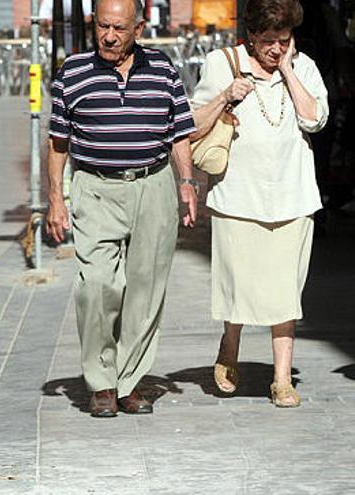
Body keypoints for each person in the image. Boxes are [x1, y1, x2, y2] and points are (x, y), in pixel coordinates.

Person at [45, 0, 198, 418]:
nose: (109, 36)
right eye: (103, 26)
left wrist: (186, 183)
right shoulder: (72, 73)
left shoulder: (163, 69)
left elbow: (179, 131)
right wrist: (56, 199)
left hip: (153, 185)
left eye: (119, 28)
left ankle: (129, 382)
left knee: (145, 290)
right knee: (96, 286)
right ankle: (100, 381)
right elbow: (58, 142)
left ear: (139, 28)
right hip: (95, 187)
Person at [190, 0, 328, 408]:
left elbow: (315, 119)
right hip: (238, 195)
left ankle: (281, 378)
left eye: (283, 41)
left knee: (286, 291)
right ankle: (230, 345)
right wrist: (225, 96)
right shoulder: (222, 62)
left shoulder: (303, 66)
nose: (275, 49)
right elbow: (194, 126)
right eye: (268, 42)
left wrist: (287, 70)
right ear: (251, 36)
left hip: (292, 196)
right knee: (239, 285)